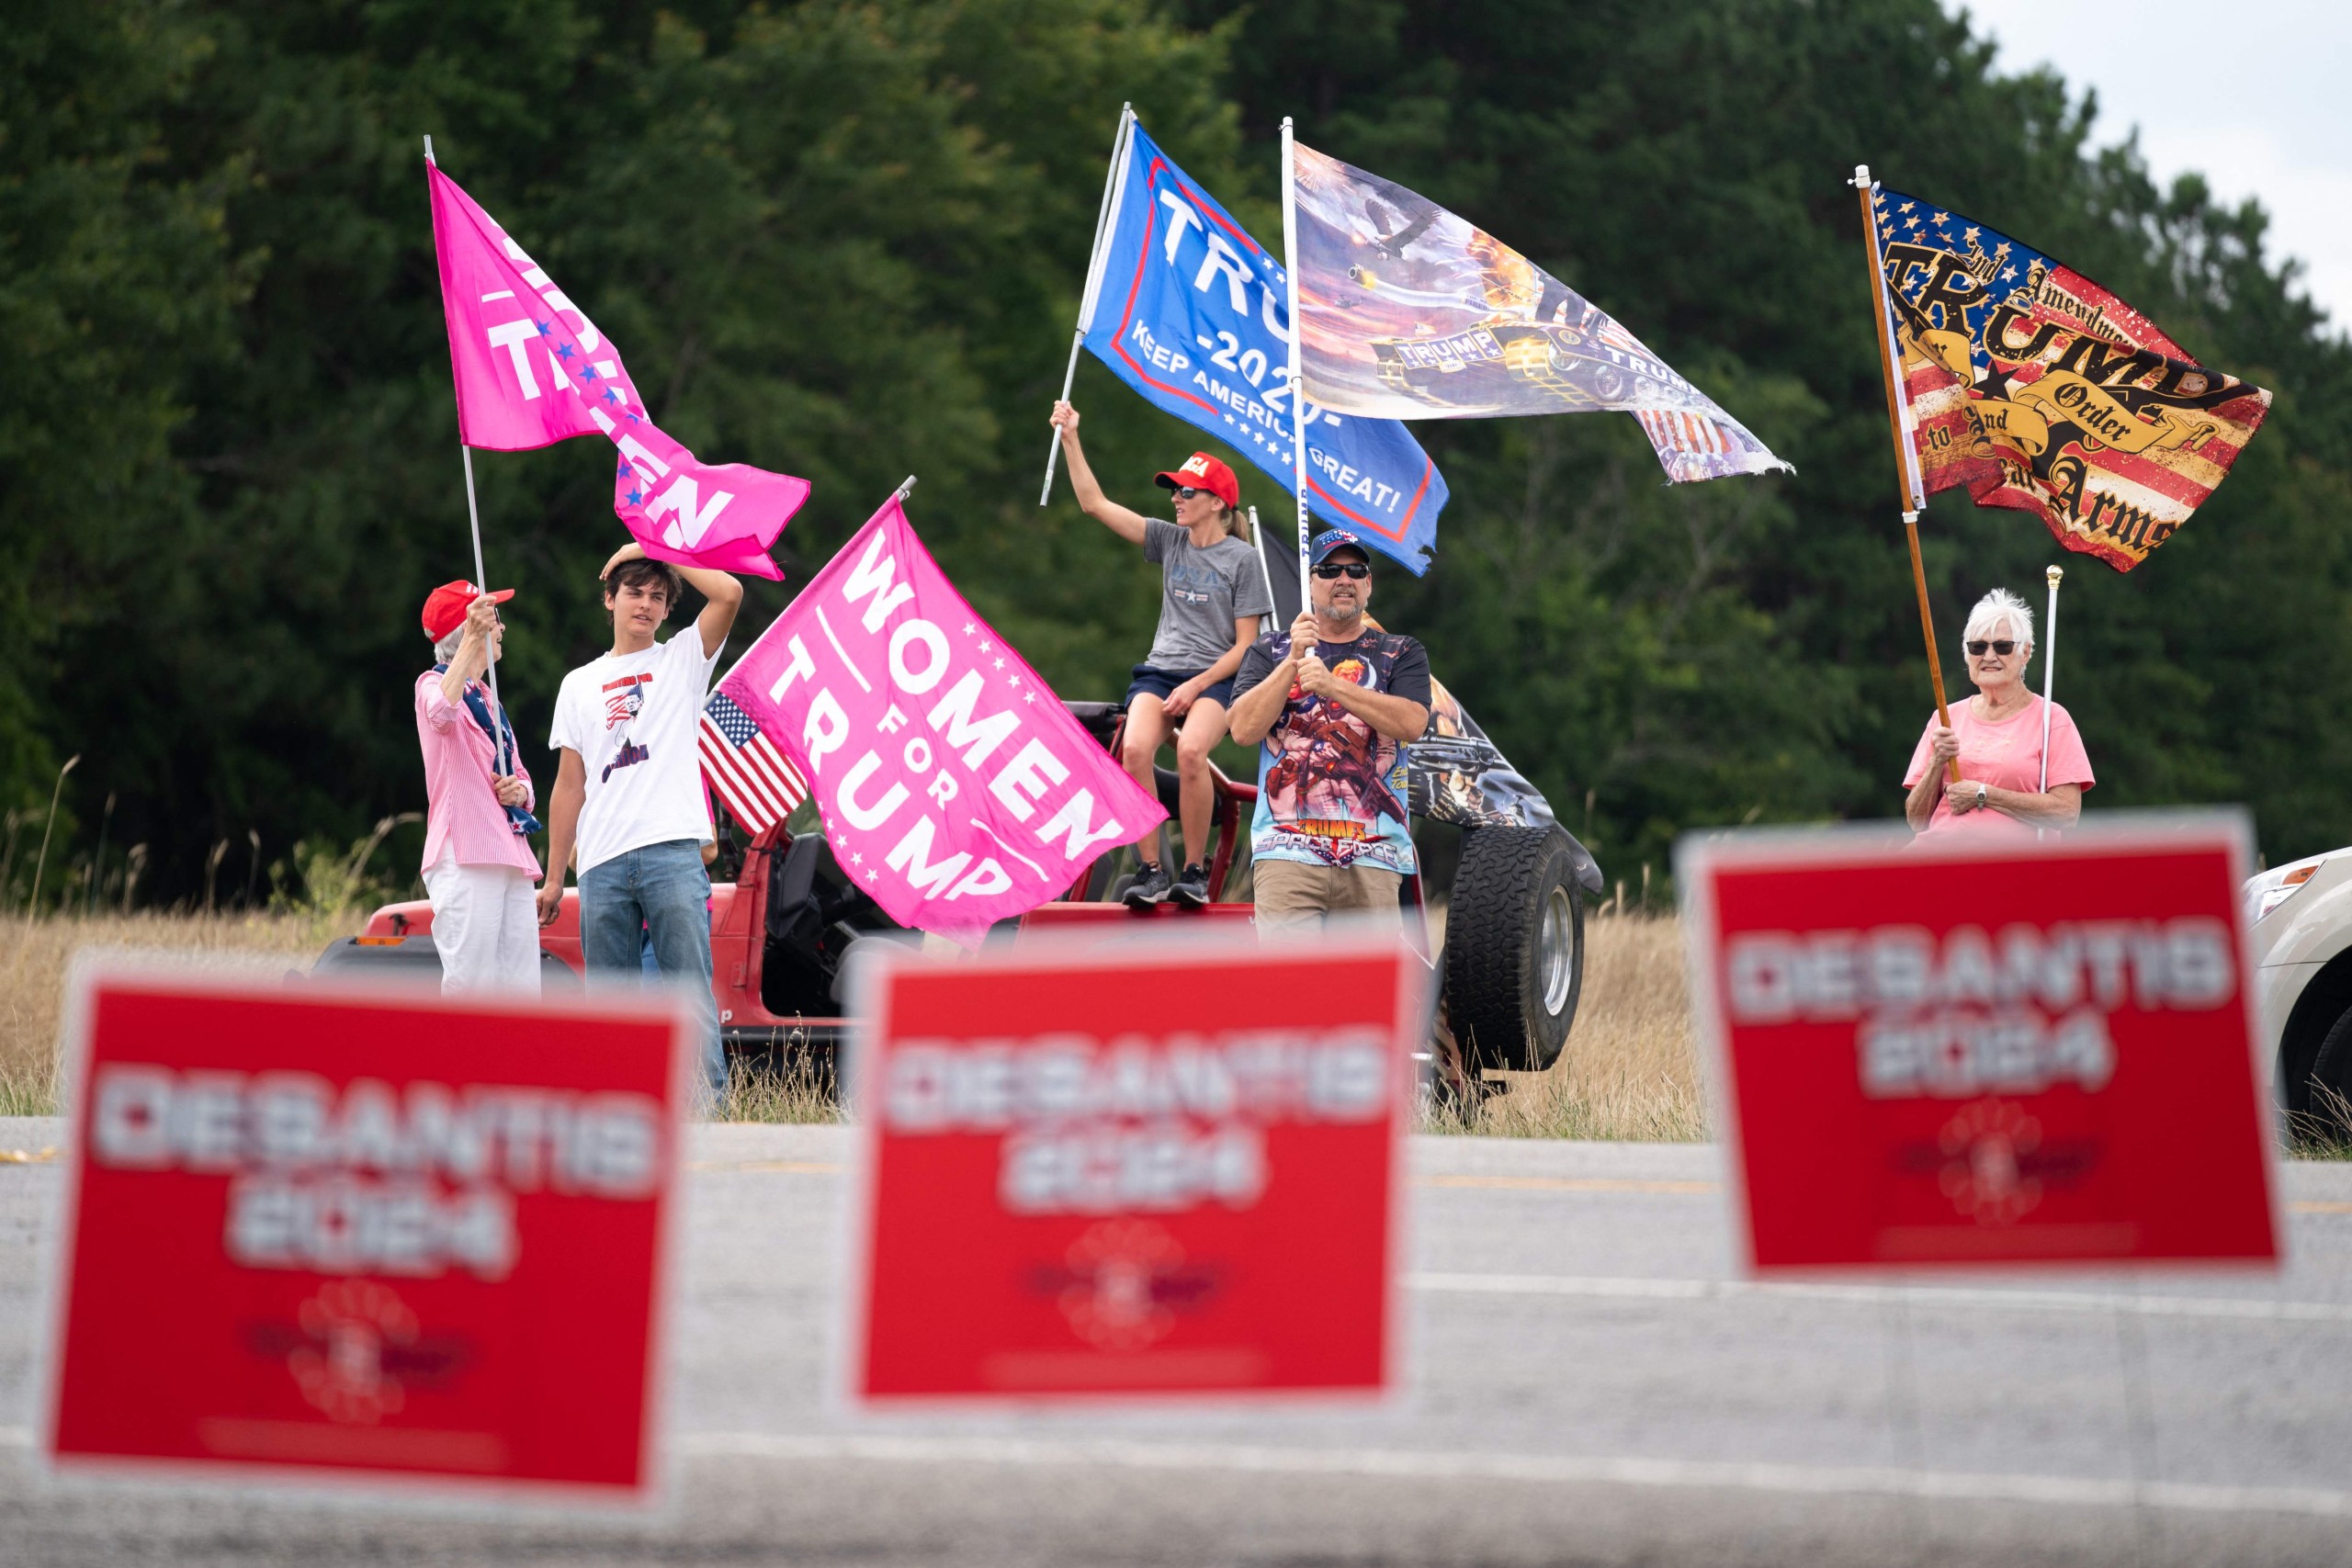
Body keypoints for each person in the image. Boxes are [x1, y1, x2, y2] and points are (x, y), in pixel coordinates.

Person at [539, 543, 742, 1101]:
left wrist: (650, 549)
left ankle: (707, 1115)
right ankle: (620, 1112)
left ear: (668, 610)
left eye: (657, 597)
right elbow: (569, 786)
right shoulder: (578, 683)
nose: (646, 604)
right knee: (610, 1007)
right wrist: (554, 878)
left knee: (687, 995)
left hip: (671, 852)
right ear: (610, 599)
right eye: (634, 592)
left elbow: (728, 593)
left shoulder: (682, 659)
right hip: (600, 862)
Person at [1050, 400, 1272, 908]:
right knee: (1133, 750)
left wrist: (1196, 686)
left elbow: (1247, 646)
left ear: (1217, 503)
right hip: (1160, 672)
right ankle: (1150, 871)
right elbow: (1094, 504)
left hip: (1215, 678)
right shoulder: (1170, 540)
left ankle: (1193, 873)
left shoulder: (1243, 559)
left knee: (1192, 752)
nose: (1176, 498)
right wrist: (1071, 438)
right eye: (1174, 490)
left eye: (1186, 491)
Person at [1227, 530, 1431, 933]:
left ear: (1368, 584)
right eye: (1330, 570)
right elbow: (1243, 730)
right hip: (1286, 854)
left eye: (1355, 570)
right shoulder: (1269, 649)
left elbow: (1412, 724)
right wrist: (1291, 662)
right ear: (1310, 582)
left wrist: (1333, 686)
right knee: (1288, 975)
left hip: (1374, 857)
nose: (1344, 579)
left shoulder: (1401, 651)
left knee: (1366, 977)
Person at [415, 581, 542, 994]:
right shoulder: (430, 685)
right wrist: (472, 640)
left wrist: (520, 792)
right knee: (472, 988)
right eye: (493, 619)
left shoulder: (490, 699)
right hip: (465, 851)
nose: (501, 628)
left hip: (510, 851)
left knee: (522, 988)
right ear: (467, 629)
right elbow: (441, 715)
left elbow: (521, 774)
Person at [1904, 587, 2093, 837]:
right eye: (1978, 647)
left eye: (2003, 647)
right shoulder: (1945, 717)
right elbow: (1916, 821)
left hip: (2010, 859)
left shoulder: (2052, 719)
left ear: (2025, 652)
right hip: (1938, 854)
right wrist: (1936, 761)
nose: (1989, 656)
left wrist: (1983, 794)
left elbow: (2066, 813)